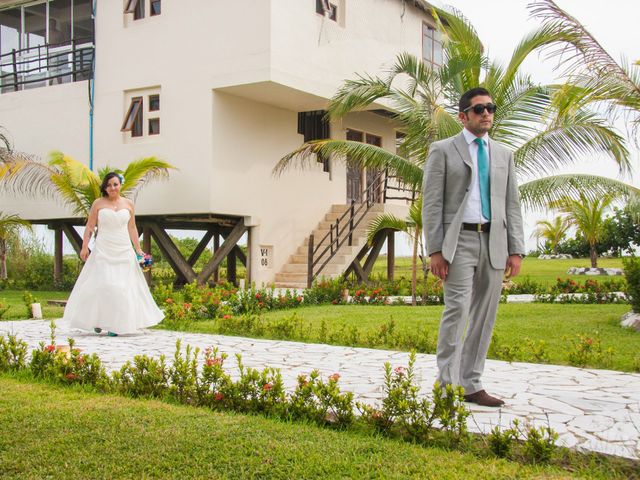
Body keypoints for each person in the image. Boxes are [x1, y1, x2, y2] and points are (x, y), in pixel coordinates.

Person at [422, 87, 525, 407]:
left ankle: (471, 384)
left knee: (485, 316)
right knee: (457, 311)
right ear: (463, 116)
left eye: (490, 108)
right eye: (479, 109)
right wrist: (435, 249)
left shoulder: (504, 154)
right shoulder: (442, 150)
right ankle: (446, 385)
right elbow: (432, 203)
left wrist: (516, 249)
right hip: (459, 242)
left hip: (494, 241)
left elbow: (512, 203)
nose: (486, 114)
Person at [63, 172, 163, 336]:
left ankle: (114, 325)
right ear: (105, 187)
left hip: (123, 249)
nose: (112, 188)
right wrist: (84, 246)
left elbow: (132, 228)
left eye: (115, 184)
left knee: (122, 288)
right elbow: (90, 226)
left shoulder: (129, 204)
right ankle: (97, 320)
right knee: (103, 285)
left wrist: (138, 250)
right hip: (103, 248)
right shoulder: (98, 203)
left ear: (120, 185)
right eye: (109, 185)